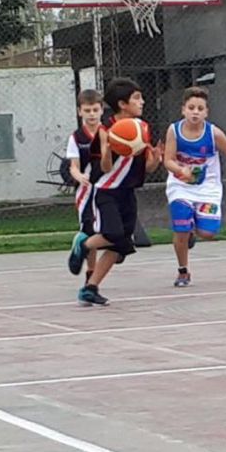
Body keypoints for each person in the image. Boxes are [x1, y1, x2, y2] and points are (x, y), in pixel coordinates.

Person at [68, 78, 162, 305]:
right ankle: (84, 244)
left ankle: (90, 288)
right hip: (106, 191)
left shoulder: (143, 128)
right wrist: (108, 149)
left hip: (127, 192)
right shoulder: (105, 130)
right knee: (112, 233)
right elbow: (106, 168)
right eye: (137, 98)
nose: (142, 102)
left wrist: (155, 158)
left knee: (120, 244)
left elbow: (147, 168)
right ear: (122, 104)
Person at [164, 87, 226, 287]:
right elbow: (168, 159)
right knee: (181, 227)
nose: (195, 112)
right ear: (183, 110)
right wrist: (180, 170)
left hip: (207, 188)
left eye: (200, 108)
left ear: (206, 112)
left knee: (208, 233)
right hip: (180, 187)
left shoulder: (213, 133)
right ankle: (183, 271)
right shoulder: (174, 131)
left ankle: (193, 231)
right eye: (191, 107)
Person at [64, 89, 103, 285]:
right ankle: (91, 273)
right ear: (80, 111)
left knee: (106, 231)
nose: (92, 114)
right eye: (87, 110)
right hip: (87, 192)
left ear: (101, 110)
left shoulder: (110, 134)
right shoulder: (77, 138)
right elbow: (73, 166)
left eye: (95, 109)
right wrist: (79, 176)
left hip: (107, 189)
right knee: (90, 231)